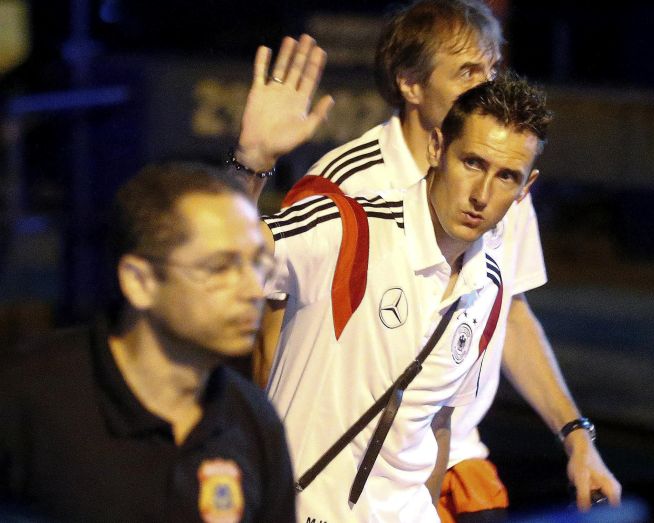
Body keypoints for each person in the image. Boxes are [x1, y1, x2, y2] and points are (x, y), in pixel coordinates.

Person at [254, 1, 622, 519]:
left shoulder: (504, 188)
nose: (486, 85)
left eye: (492, 69)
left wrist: (574, 434)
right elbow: (273, 328)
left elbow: (509, 315)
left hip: (443, 460)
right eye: (467, 71)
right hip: (328, 481)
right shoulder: (344, 186)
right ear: (411, 84)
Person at [0, 163, 297, 522]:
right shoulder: (25, 401)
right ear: (139, 281)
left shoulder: (253, 422)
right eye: (220, 268)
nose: (252, 290)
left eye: (258, 265)